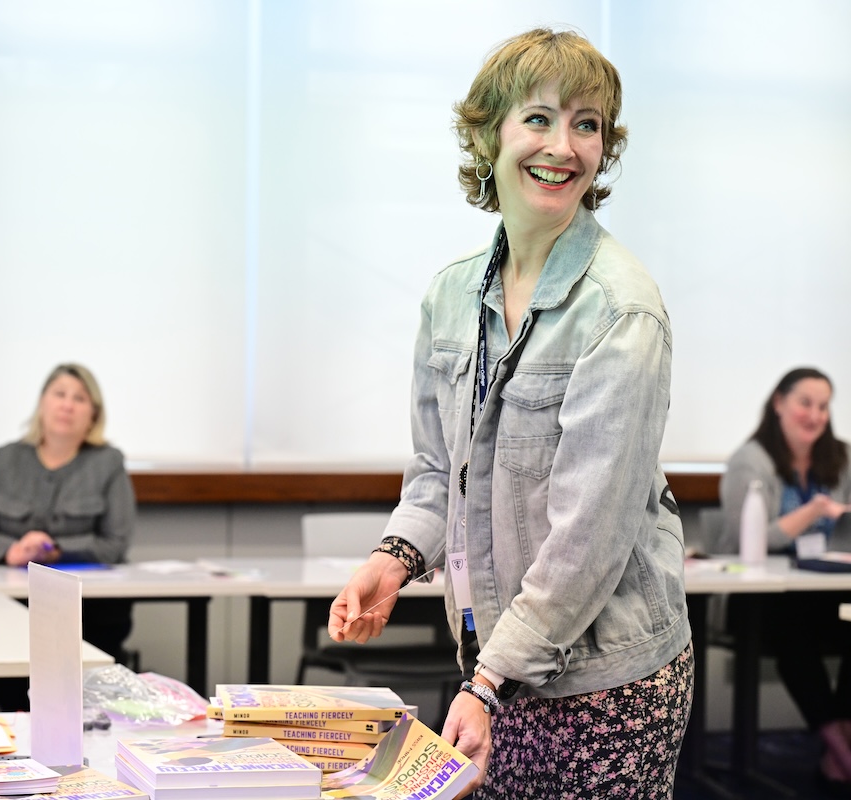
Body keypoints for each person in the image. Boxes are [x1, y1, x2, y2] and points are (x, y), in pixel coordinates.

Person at [326, 28, 692, 798]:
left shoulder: (622, 309)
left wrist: (490, 682)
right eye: (538, 118)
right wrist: (391, 562)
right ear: (489, 134)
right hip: (495, 667)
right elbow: (438, 472)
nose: (563, 146)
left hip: (605, 684)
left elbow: (589, 536)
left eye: (587, 125)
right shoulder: (451, 297)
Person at [720, 367, 851, 789]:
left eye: (823, 406)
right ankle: (842, 752)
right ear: (779, 403)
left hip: (821, 593)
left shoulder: (840, 459)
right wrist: (813, 511)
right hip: (758, 600)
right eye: (804, 403)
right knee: (792, 626)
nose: (814, 415)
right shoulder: (751, 460)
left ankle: (841, 748)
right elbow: (751, 541)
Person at [0, 363, 136, 665]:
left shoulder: (108, 462)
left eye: (80, 399)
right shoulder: (6, 458)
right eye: (59, 394)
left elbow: (115, 544)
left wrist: (55, 552)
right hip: (15, 602)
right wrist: (13, 551)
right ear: (42, 403)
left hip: (89, 610)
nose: (67, 405)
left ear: (93, 415)